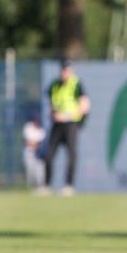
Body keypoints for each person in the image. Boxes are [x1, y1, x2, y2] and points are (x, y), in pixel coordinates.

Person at [41, 59, 90, 196]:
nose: (65, 73)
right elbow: (51, 103)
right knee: (48, 154)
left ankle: (69, 186)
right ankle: (46, 186)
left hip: (71, 124)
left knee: (71, 155)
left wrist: (68, 117)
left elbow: (84, 105)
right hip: (57, 125)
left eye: (67, 70)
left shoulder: (76, 84)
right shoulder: (55, 85)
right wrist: (54, 113)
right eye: (63, 70)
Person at [22, 115, 46, 190]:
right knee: (30, 170)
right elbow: (27, 141)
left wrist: (34, 144)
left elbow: (40, 143)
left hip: (38, 153)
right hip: (29, 152)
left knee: (40, 171)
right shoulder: (28, 127)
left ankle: (40, 187)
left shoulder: (41, 130)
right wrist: (34, 144)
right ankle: (30, 187)